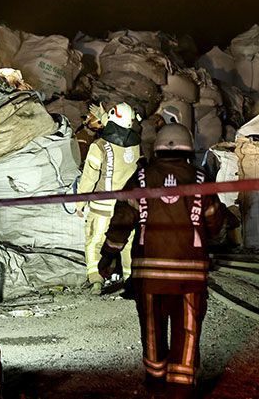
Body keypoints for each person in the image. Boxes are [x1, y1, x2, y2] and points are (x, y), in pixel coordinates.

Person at [98, 123, 226, 398]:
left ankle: (156, 381)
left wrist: (108, 255)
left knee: (153, 328)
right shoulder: (202, 180)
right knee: (188, 330)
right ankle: (180, 387)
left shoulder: (141, 179)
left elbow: (122, 221)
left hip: (149, 276)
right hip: (190, 276)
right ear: (188, 148)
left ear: (157, 148)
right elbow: (215, 222)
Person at [77, 102, 141, 294]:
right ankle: (130, 279)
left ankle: (96, 279)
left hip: (102, 206)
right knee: (128, 243)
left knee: (94, 241)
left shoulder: (99, 147)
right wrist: (104, 115)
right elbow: (119, 129)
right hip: (127, 208)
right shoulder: (136, 146)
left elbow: (89, 177)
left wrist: (79, 203)